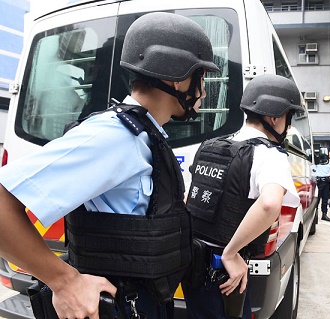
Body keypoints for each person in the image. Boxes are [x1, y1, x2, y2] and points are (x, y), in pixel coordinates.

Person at [0, 12, 219, 319]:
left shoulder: (147, 135)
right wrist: (64, 283)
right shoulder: (116, 136)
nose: (205, 91)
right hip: (120, 305)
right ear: (178, 77)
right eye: (202, 77)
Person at [183, 74, 301, 319]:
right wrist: (231, 253)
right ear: (275, 117)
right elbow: (270, 204)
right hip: (222, 272)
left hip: (191, 265)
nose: (288, 127)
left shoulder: (210, 146)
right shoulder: (269, 154)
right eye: (288, 118)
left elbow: (189, 201)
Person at [311, 148, 330, 222]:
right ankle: (315, 216)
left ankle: (324, 214)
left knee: (325, 200)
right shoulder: (317, 161)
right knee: (316, 200)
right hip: (318, 182)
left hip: (326, 182)